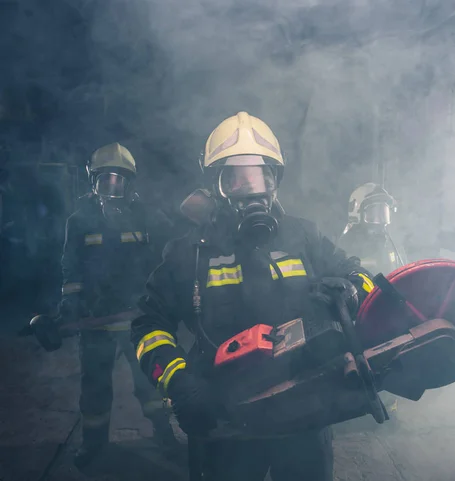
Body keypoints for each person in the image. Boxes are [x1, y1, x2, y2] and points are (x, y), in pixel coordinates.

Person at [131, 112, 375, 481]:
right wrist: (178, 381)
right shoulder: (189, 252)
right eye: (235, 178)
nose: (252, 190)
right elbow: (149, 325)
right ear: (216, 185)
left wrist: (353, 291)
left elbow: (360, 276)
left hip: (305, 409)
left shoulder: (304, 236)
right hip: (225, 419)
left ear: (276, 180)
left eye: (263, 175)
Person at [55, 143, 177, 467]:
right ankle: (93, 447)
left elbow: (170, 253)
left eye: (118, 180)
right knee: (95, 391)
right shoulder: (79, 220)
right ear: (92, 182)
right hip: (96, 322)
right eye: (104, 180)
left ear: (130, 184)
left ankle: (166, 439)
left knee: (151, 385)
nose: (111, 188)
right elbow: (71, 267)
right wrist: (70, 303)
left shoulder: (148, 216)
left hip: (139, 321)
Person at [338, 182, 406, 276]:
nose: (381, 220)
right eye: (374, 213)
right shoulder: (348, 243)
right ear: (357, 214)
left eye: (383, 213)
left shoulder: (390, 241)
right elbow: (343, 268)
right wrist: (373, 262)